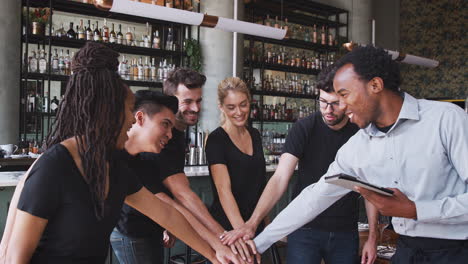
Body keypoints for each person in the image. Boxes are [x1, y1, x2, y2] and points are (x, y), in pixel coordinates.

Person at [0, 42, 232, 264]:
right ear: (107, 112)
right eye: (129, 110)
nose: (133, 119)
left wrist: (215, 255)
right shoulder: (54, 166)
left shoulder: (113, 168)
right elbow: (12, 258)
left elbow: (168, 215)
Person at [246, 45, 468, 263]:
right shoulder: (357, 146)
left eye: (344, 94)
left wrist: (415, 210)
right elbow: (313, 199)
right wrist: (256, 244)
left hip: (457, 250)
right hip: (406, 249)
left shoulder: (445, 119)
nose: (340, 107)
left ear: (375, 85)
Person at [221, 67, 378, 264]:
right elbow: (279, 179)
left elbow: (369, 187)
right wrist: (252, 223)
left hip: (345, 230)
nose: (328, 110)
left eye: (336, 104)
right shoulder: (305, 127)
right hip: (303, 228)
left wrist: (373, 237)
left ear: (347, 99)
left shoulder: (360, 131)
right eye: (323, 102)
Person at [111, 90, 240, 264]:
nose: (170, 134)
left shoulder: (142, 162)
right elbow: (171, 209)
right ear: (140, 118)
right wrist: (217, 249)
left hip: (146, 231)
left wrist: (216, 250)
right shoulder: (109, 156)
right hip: (129, 235)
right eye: (165, 124)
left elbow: (170, 211)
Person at [161, 69, 258, 262]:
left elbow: (164, 186)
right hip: (134, 227)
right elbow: (183, 195)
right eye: (188, 101)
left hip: (157, 219)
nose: (196, 108)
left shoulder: (177, 134)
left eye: (198, 101)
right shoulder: (166, 136)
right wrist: (223, 237)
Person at [205, 77, 267, 236]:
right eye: (231, 107)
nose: (239, 112)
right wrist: (242, 233)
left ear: (249, 102)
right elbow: (223, 191)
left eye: (243, 105)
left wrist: (264, 223)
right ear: (221, 107)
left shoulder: (255, 135)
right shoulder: (216, 140)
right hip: (229, 227)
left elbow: (260, 186)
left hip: (254, 224)